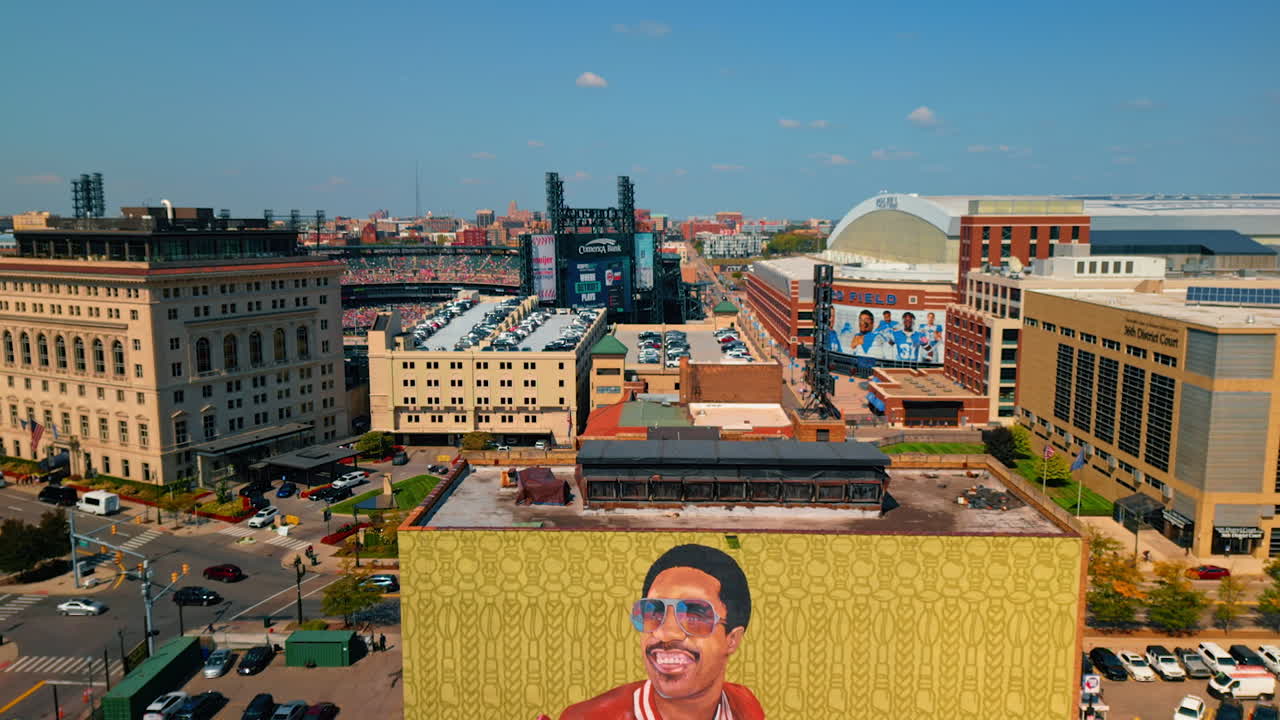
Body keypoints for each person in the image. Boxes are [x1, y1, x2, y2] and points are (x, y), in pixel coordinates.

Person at [554, 544, 763, 720]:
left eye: (694, 615)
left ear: (732, 639)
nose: (665, 633)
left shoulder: (744, 708)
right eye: (654, 612)